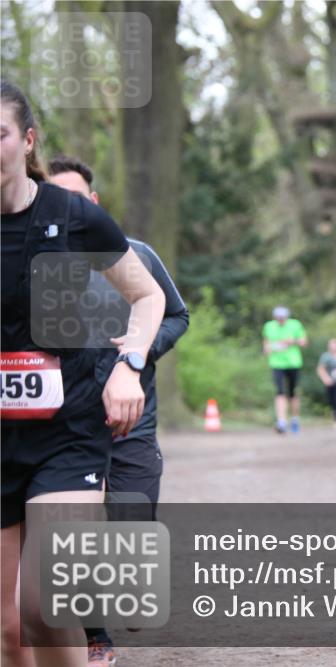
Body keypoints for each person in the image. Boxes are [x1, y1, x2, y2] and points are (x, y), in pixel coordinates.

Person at [1, 81, 165, 667]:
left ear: (26, 140)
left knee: (46, 607)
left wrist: (129, 366)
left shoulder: (70, 216)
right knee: (9, 625)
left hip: (66, 432)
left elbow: (148, 298)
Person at [48, 155, 190, 667]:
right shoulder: (32, 265)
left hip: (134, 419)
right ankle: (95, 637)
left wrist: (140, 349)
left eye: (77, 197)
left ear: (93, 202)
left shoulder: (138, 256)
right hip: (66, 425)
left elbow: (176, 315)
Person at [262, 306, 308, 434]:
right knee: (280, 392)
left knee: (293, 393)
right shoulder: (269, 326)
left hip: (293, 363)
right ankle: (281, 421)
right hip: (277, 363)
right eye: (278, 318)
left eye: (283, 318)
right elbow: (266, 344)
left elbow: (304, 342)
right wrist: (266, 349)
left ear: (287, 317)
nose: (281, 321)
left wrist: (292, 341)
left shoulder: (295, 325)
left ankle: (295, 419)